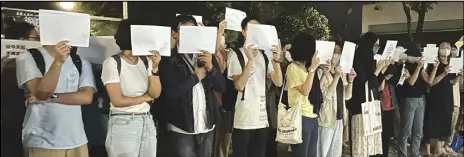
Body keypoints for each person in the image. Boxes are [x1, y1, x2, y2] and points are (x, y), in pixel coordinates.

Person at [158, 14, 226, 157]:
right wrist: (195, 77)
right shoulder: (168, 59)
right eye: (185, 31)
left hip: (207, 126)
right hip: (181, 128)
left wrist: (211, 68)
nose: (190, 35)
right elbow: (170, 93)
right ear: (175, 34)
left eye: (194, 31)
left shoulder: (206, 56)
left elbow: (221, 87)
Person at [17, 38, 95, 157]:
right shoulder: (28, 56)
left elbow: (86, 97)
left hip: (77, 141)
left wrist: (51, 98)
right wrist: (58, 62)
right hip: (41, 141)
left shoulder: (80, 61)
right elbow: (42, 93)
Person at [101, 19, 161, 157]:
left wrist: (155, 68)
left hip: (146, 120)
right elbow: (117, 100)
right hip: (123, 121)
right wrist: (146, 97)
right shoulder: (112, 62)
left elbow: (156, 93)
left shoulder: (146, 61)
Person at [228, 16, 283, 157]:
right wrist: (250, 61)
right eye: (251, 28)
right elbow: (239, 85)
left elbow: (278, 82)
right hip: (243, 120)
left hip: (262, 119)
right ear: (244, 32)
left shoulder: (264, 56)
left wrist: (276, 60)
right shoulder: (235, 54)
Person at [346, 32, 388, 157]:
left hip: (370, 105)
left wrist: (381, 72)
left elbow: (376, 84)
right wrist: (377, 71)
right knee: (360, 145)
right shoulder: (357, 60)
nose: (377, 49)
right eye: (375, 45)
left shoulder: (370, 61)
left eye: (378, 46)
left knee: (370, 146)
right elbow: (363, 84)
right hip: (360, 108)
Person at [1, 21, 39, 157]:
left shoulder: (36, 63)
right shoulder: (7, 65)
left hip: (28, 124)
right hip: (8, 125)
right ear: (22, 41)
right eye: (35, 38)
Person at [316, 40, 356, 157]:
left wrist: (350, 80)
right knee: (322, 151)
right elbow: (325, 97)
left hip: (339, 117)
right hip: (326, 117)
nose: (336, 55)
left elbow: (347, 96)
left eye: (339, 52)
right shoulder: (321, 71)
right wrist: (336, 77)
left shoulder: (340, 71)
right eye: (334, 51)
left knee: (335, 153)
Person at [423, 41, 462, 157]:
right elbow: (431, 82)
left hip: (447, 98)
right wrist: (443, 74)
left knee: (445, 124)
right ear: (438, 49)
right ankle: (431, 150)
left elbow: (452, 82)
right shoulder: (433, 64)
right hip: (435, 98)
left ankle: (439, 149)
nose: (446, 49)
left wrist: (459, 76)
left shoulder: (452, 63)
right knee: (433, 124)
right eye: (443, 47)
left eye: (448, 47)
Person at [285, 33, 321, 157]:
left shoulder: (307, 68)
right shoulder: (292, 68)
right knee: (301, 153)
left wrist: (324, 73)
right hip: (300, 116)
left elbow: (314, 90)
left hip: (312, 115)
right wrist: (312, 70)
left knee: (311, 153)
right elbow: (305, 91)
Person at [443, 44, 463, 156]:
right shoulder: (445, 65)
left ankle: (448, 145)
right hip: (446, 99)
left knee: (454, 124)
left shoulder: (458, 64)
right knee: (447, 124)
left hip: (456, 99)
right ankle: (443, 145)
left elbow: (459, 86)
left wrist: (460, 75)